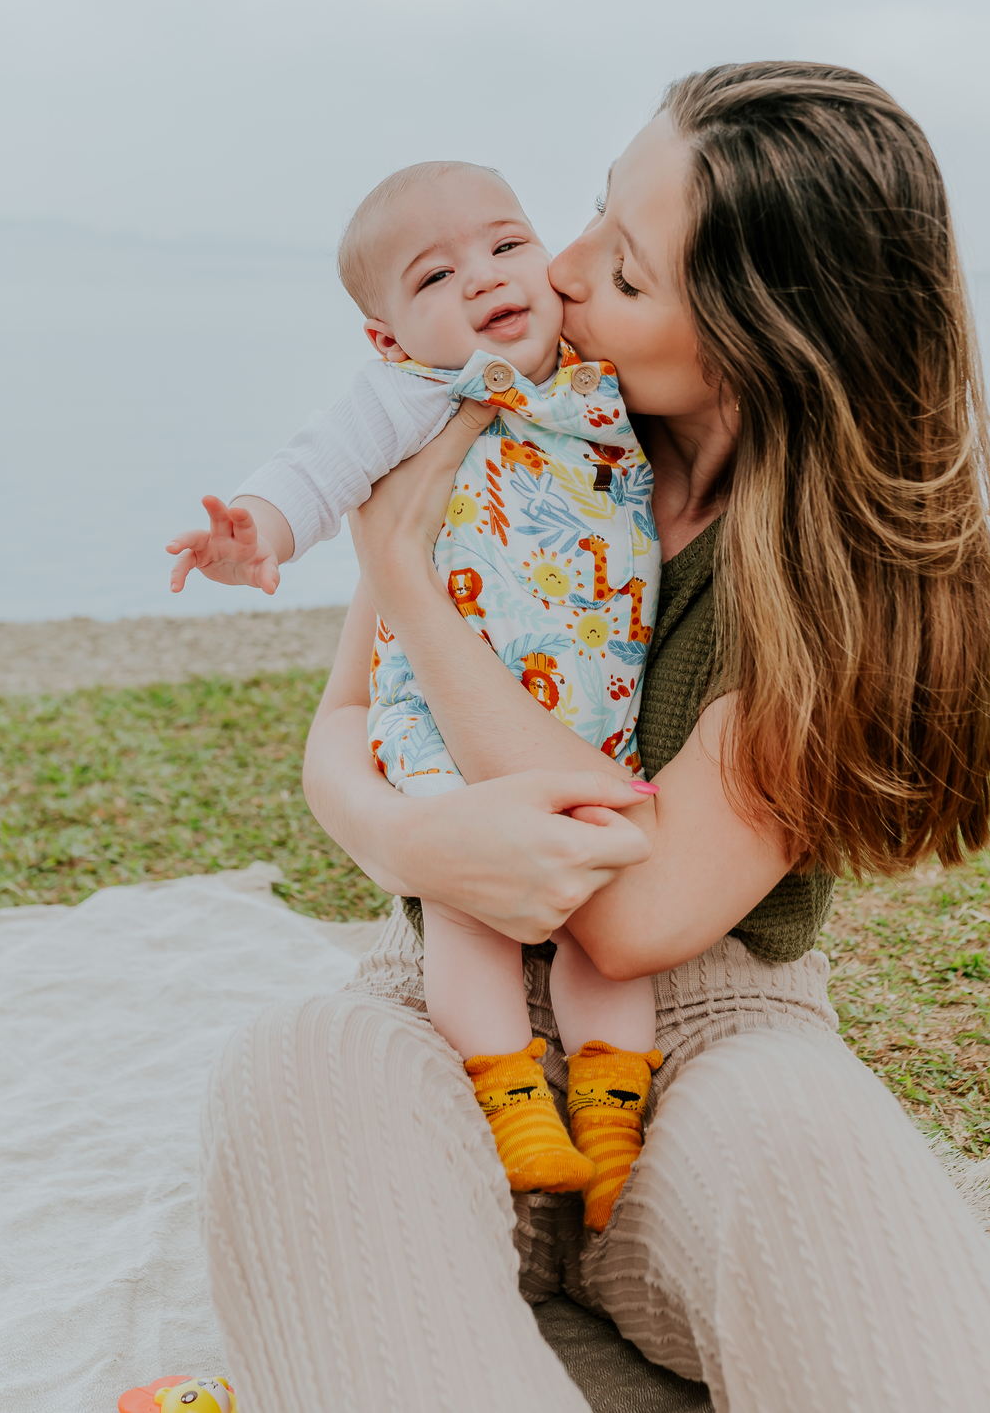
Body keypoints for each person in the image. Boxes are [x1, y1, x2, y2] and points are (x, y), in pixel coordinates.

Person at [200, 63, 990, 1413]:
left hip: (708, 1043)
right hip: (443, 998)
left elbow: (627, 912)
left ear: (757, 337)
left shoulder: (851, 570)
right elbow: (343, 727)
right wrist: (405, 834)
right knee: (296, 1075)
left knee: (827, 1189)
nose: (553, 269)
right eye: (594, 210)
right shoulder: (498, 421)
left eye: (622, 268)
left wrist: (412, 583)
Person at [168, 161, 664, 1223]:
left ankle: (614, 1109)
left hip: (588, 721)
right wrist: (256, 528)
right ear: (389, 336)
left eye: (505, 243)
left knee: (607, 924)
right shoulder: (412, 397)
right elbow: (317, 464)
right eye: (436, 275)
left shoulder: (598, 377)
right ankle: (515, 1100)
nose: (483, 278)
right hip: (446, 718)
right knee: (468, 908)